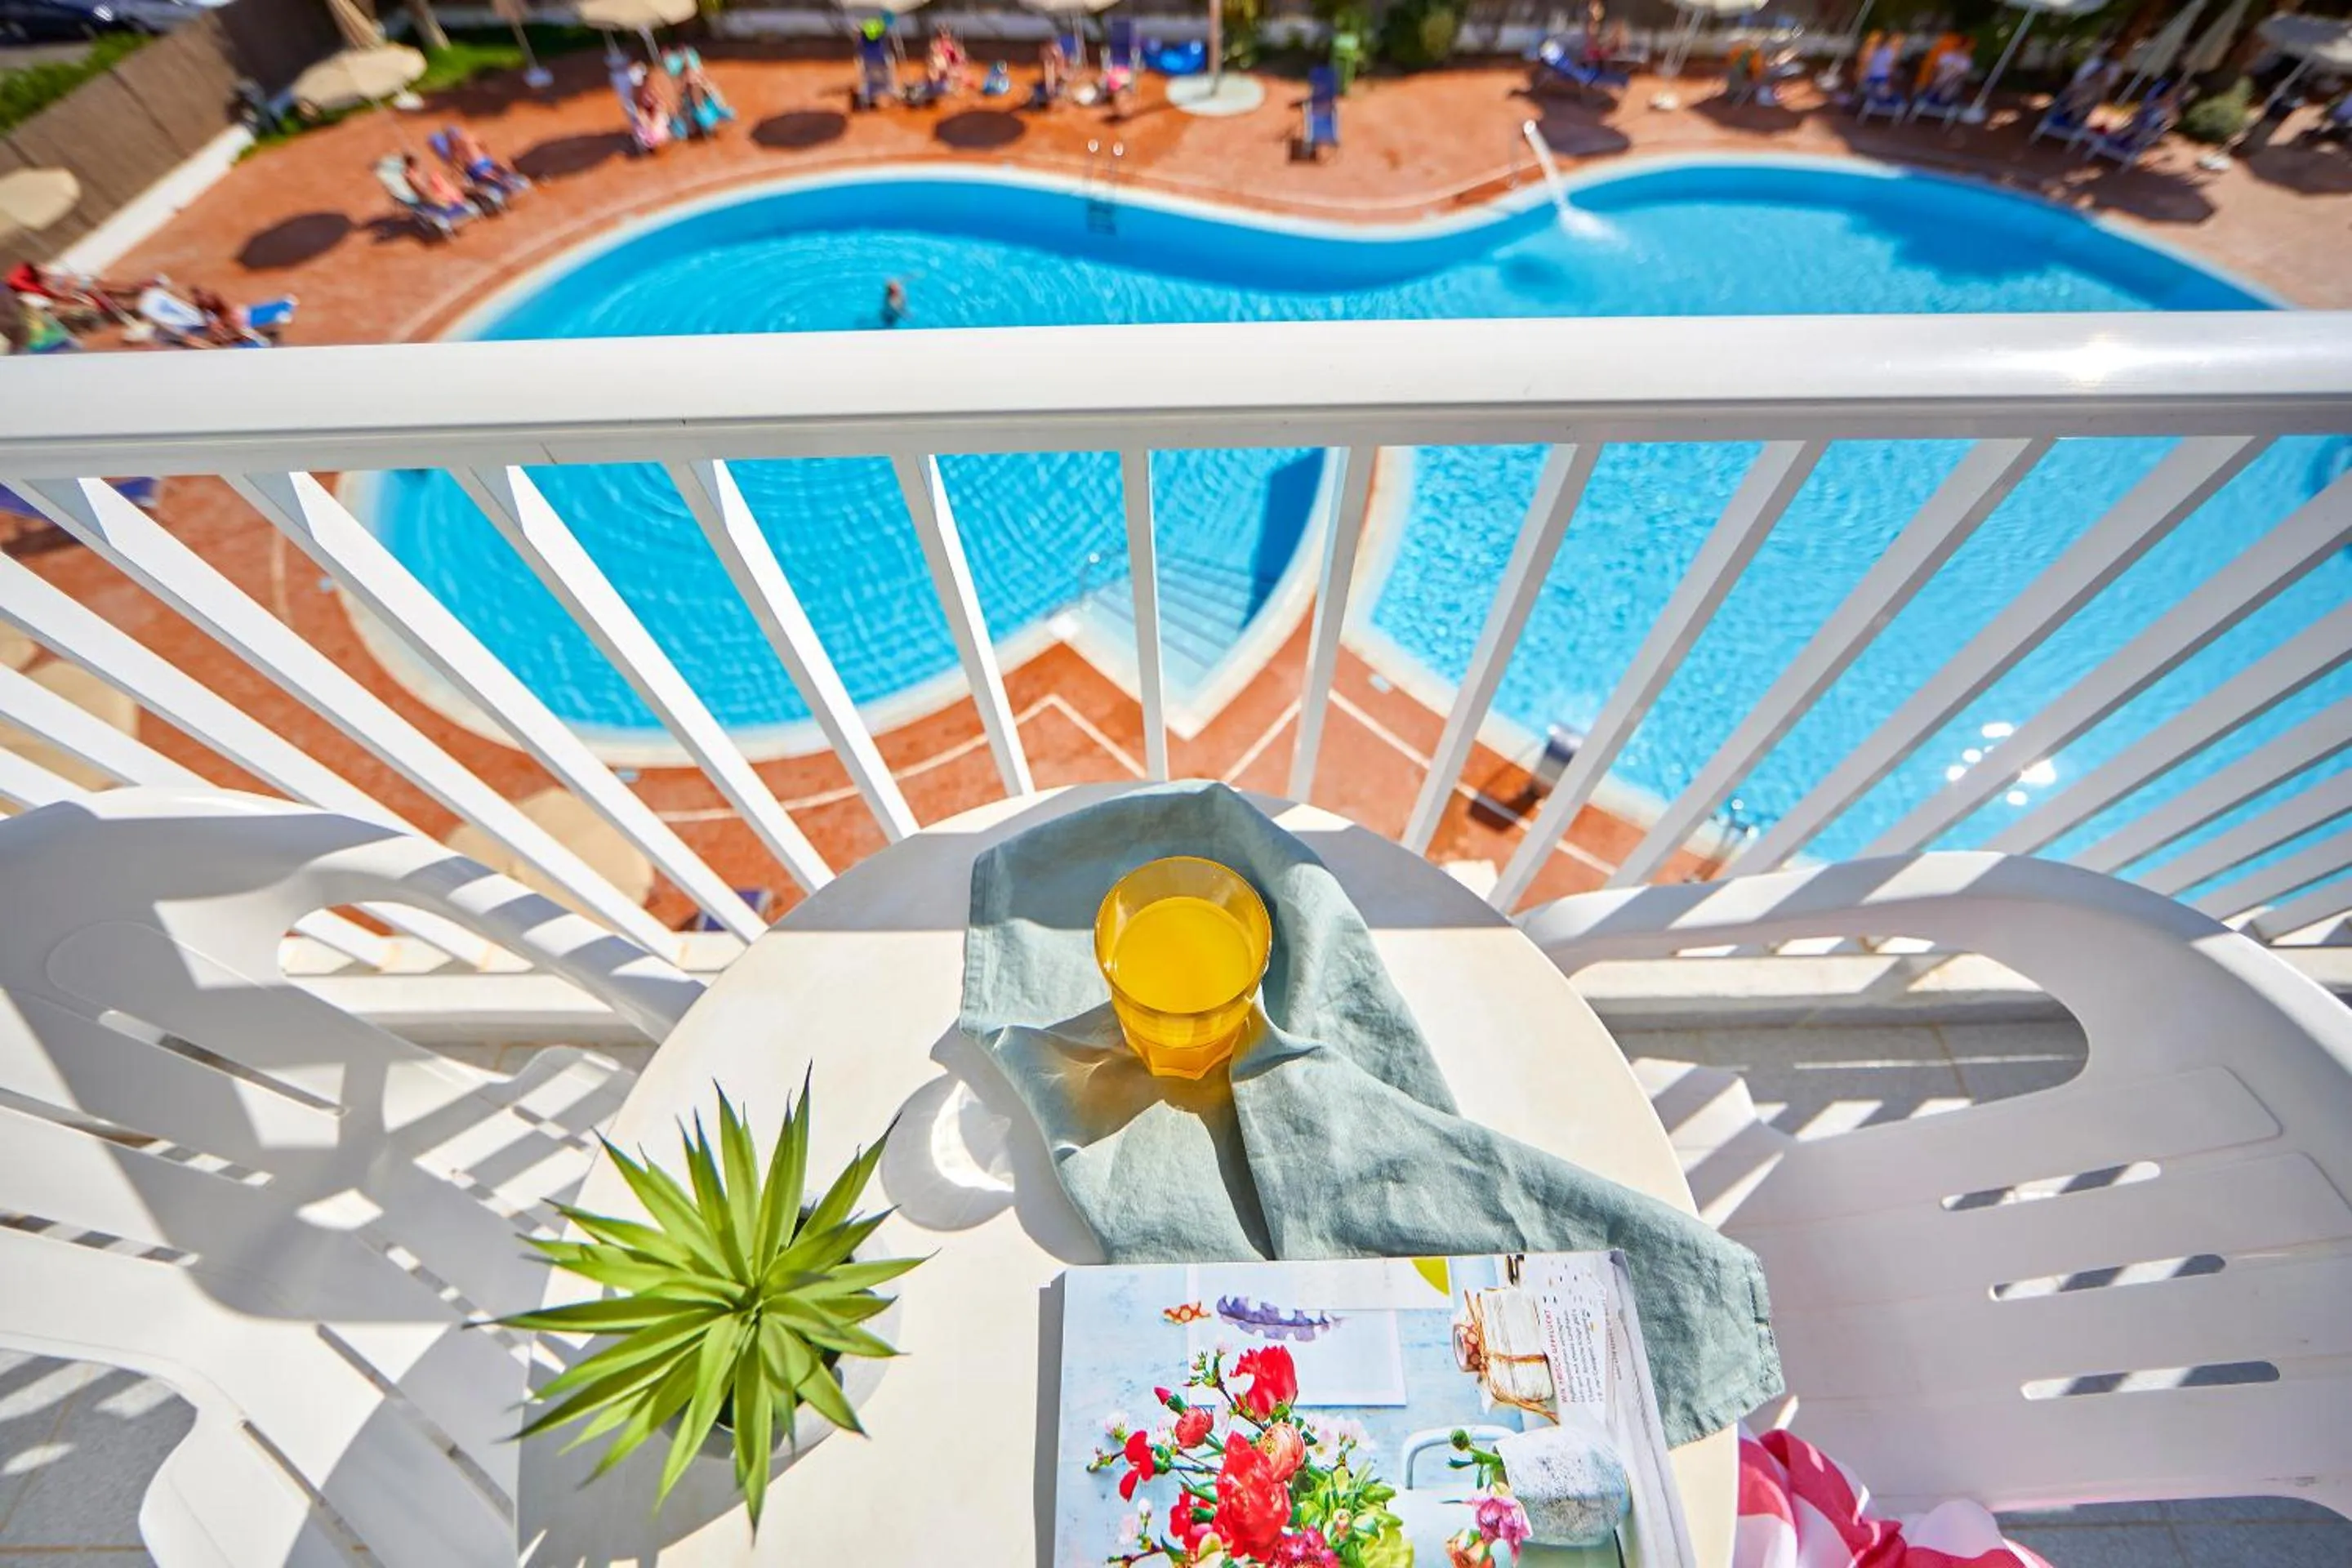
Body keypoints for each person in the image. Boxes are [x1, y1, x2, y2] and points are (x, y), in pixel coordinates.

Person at [447, 125, 529, 198]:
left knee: (518, 180)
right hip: (485, 185)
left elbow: (495, 167)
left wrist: (502, 170)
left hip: (497, 179)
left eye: (472, 148)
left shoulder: (485, 159)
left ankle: (510, 188)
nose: (470, 152)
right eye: (465, 150)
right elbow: (469, 181)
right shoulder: (467, 167)